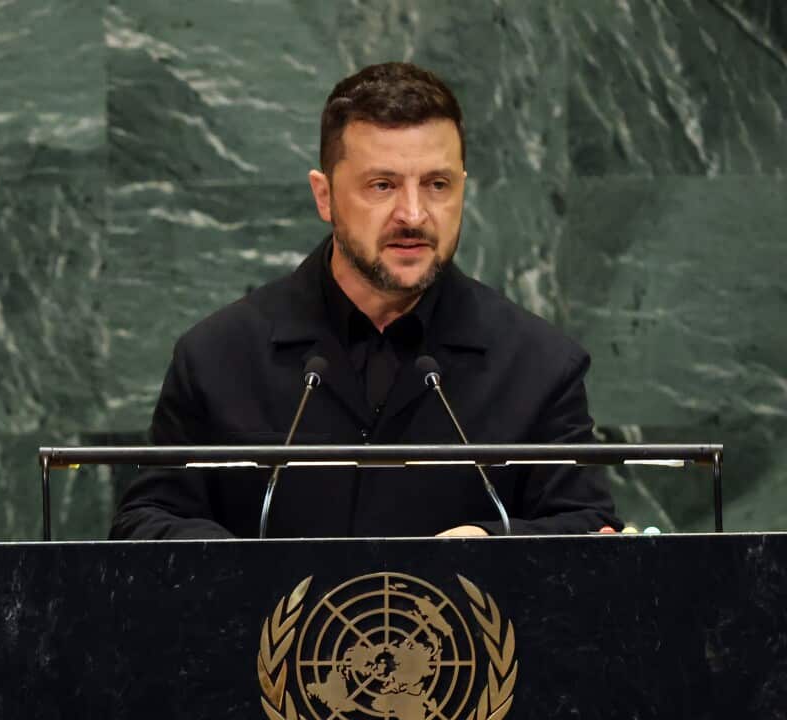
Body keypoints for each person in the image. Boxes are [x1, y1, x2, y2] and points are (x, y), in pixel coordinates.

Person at [109, 62, 621, 540]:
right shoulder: (217, 358)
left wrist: (498, 546)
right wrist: (244, 573)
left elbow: (588, 527)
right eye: (383, 185)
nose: (414, 214)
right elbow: (146, 522)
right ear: (325, 195)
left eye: (437, 184)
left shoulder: (539, 365)